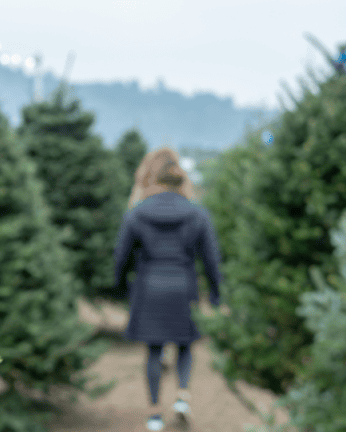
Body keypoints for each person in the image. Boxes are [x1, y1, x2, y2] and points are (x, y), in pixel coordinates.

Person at [113, 147, 226, 431]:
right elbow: (211, 259)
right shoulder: (197, 214)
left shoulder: (136, 213)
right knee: (185, 344)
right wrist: (215, 294)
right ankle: (182, 397)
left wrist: (120, 287)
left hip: (149, 287)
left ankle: (154, 414)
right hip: (183, 286)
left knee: (154, 350)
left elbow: (121, 257)